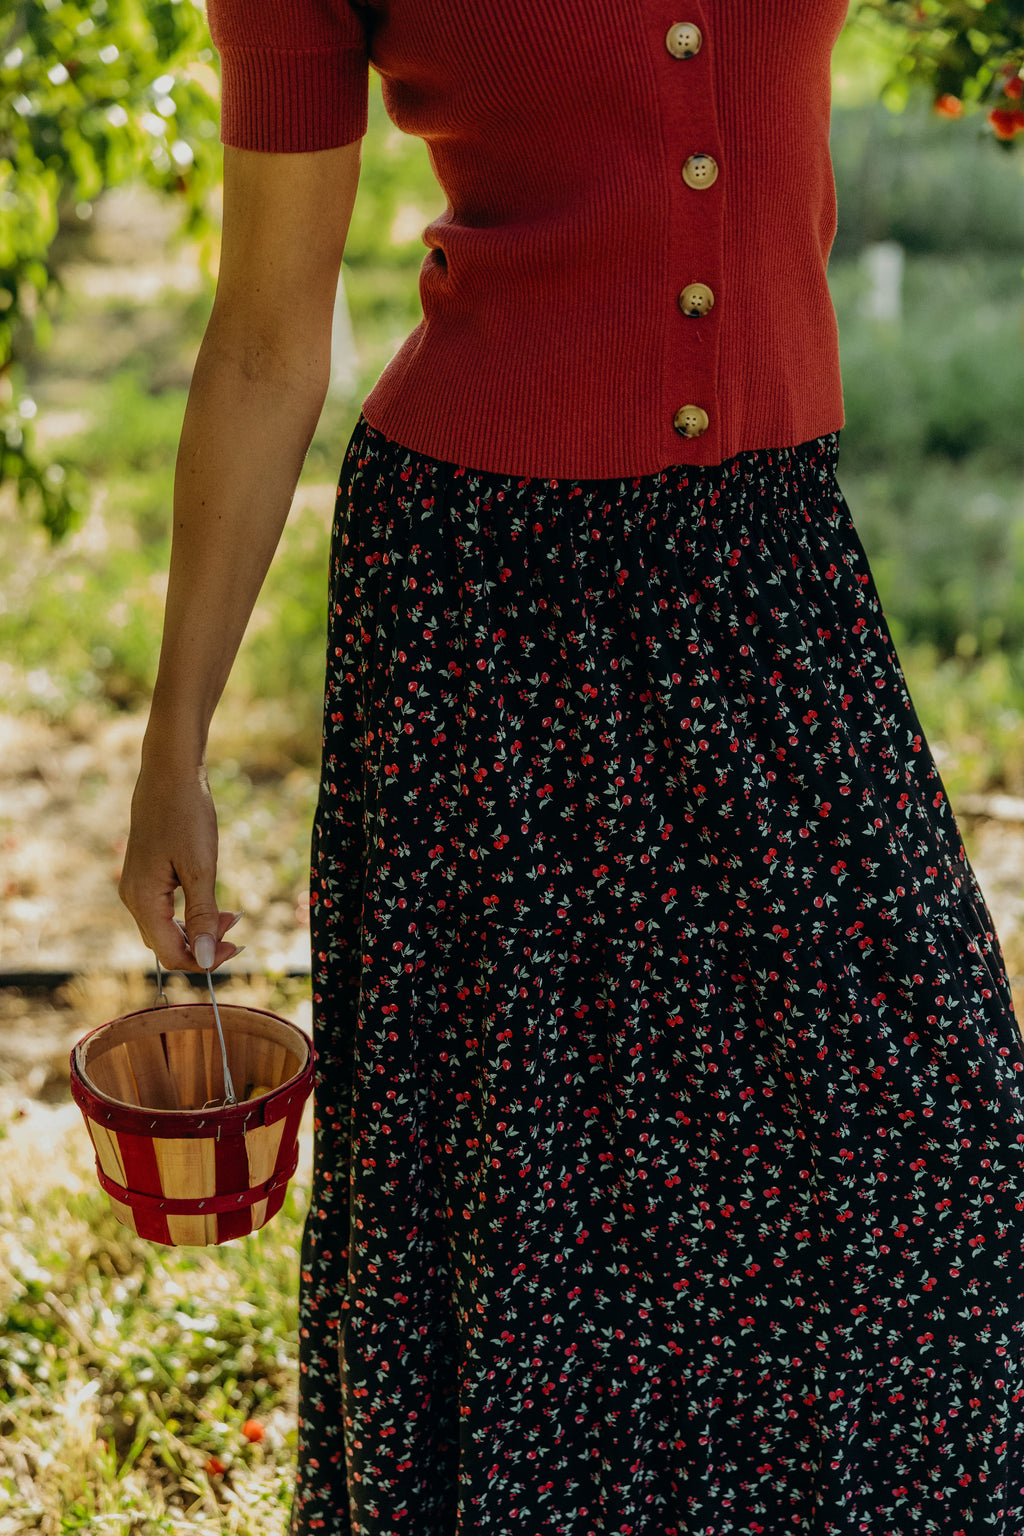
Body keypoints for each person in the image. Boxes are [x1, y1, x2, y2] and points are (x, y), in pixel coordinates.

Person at [118, 2, 1024, 1531]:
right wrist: (173, 742)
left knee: (930, 1141)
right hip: (488, 607)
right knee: (542, 1208)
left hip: (767, 559)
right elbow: (272, 336)